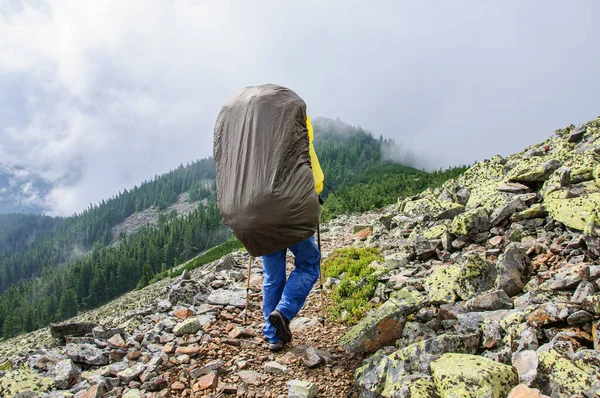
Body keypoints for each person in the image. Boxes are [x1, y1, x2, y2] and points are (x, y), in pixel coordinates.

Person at [262, 116, 324, 352]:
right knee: (309, 264)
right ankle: (284, 312)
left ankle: (273, 336)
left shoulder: (252, 147)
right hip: (294, 214)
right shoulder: (300, 138)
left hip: (262, 218)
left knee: (272, 276)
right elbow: (316, 180)